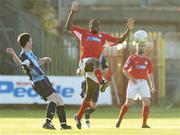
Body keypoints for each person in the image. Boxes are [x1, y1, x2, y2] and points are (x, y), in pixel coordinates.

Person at [66, 1, 134, 129]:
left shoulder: (103, 36)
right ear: (89, 25)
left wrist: (128, 31)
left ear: (100, 27)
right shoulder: (84, 33)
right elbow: (68, 27)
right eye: (93, 24)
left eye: (97, 24)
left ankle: (78, 117)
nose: (95, 26)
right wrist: (73, 12)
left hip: (94, 68)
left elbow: (119, 41)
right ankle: (102, 82)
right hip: (85, 62)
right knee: (95, 62)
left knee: (89, 95)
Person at [6, 33, 71, 130]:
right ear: (27, 42)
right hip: (38, 81)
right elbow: (22, 65)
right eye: (31, 40)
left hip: (44, 79)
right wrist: (14, 54)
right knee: (53, 100)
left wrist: (45, 59)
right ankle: (47, 123)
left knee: (59, 100)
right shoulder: (23, 55)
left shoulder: (30, 53)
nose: (32, 42)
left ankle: (63, 125)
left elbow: (37, 62)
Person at [115, 40, 156, 128]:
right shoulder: (132, 58)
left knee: (147, 102)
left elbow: (150, 73)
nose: (140, 47)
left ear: (144, 48)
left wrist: (152, 85)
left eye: (142, 46)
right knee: (128, 102)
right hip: (133, 83)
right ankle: (119, 119)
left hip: (143, 83)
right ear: (136, 47)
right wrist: (132, 79)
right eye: (139, 46)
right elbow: (124, 70)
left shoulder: (148, 60)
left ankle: (144, 124)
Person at [80, 55, 111, 128]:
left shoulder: (102, 57)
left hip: (97, 82)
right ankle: (85, 121)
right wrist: (81, 70)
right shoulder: (86, 55)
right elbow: (80, 69)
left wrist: (99, 71)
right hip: (87, 81)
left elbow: (106, 70)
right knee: (87, 102)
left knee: (93, 107)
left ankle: (80, 115)